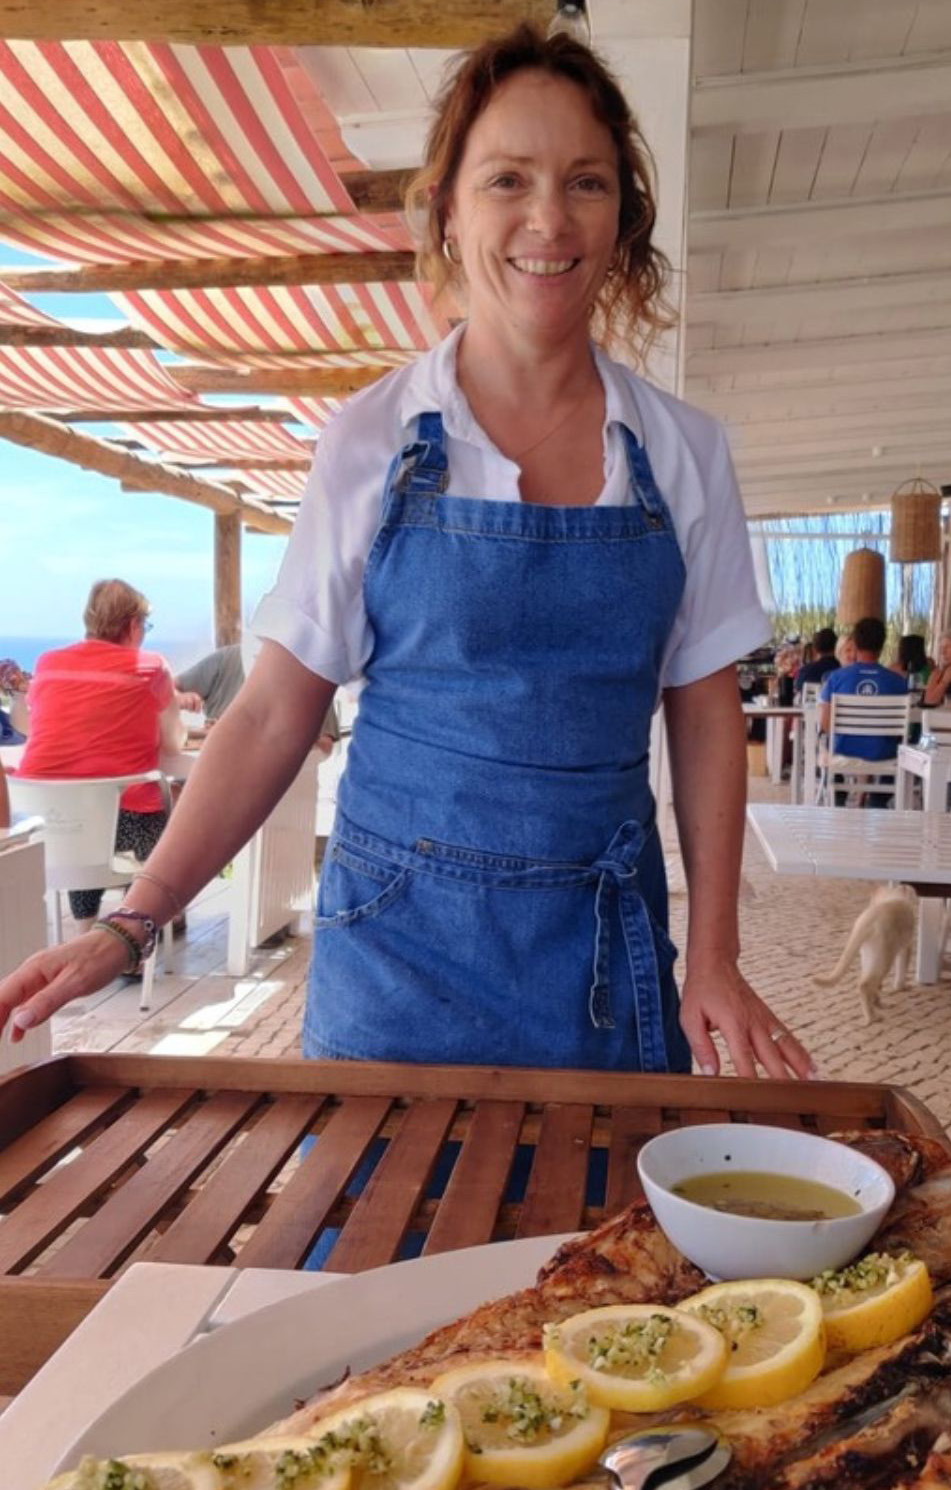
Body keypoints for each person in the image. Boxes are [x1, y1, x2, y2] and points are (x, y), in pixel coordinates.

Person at [0, 24, 810, 1082]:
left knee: (600, 1249)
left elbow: (704, 710)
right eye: (507, 179)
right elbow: (273, 709)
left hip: (602, 953)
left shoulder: (685, 451)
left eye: (587, 182)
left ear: (625, 219)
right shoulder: (370, 438)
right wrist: (137, 918)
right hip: (397, 951)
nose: (548, 219)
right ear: (448, 208)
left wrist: (714, 956)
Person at [14, 580, 184, 926]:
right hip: (125, 831)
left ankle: (85, 929)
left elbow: (38, 724)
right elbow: (174, 744)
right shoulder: (151, 667)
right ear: (134, 625)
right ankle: (136, 924)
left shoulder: (48, 664)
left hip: (49, 828)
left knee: (85, 809)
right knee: (142, 806)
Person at [176, 642, 341, 754]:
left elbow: (325, 746)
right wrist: (180, 698)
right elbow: (167, 689)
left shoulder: (311, 673)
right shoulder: (229, 658)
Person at [818, 616, 908, 806]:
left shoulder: (836, 678)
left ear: (856, 644)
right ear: (882, 646)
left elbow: (825, 723)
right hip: (885, 754)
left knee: (824, 746)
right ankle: (877, 802)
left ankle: (838, 800)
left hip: (844, 752)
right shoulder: (898, 681)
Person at [794, 627, 839, 694]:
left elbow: (798, 690)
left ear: (815, 649)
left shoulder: (806, 671)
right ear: (836, 646)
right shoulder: (844, 671)